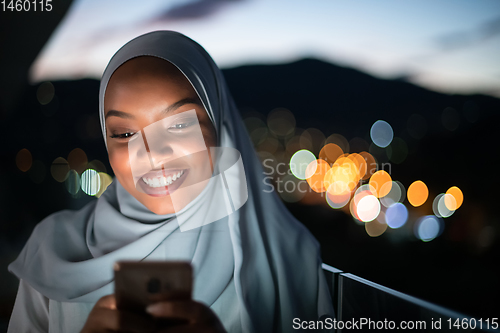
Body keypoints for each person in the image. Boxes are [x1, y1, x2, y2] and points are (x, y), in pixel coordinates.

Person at [7, 30, 334, 332]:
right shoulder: (53, 251)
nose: (152, 153)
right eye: (124, 133)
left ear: (220, 126)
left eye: (179, 125)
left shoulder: (288, 256)